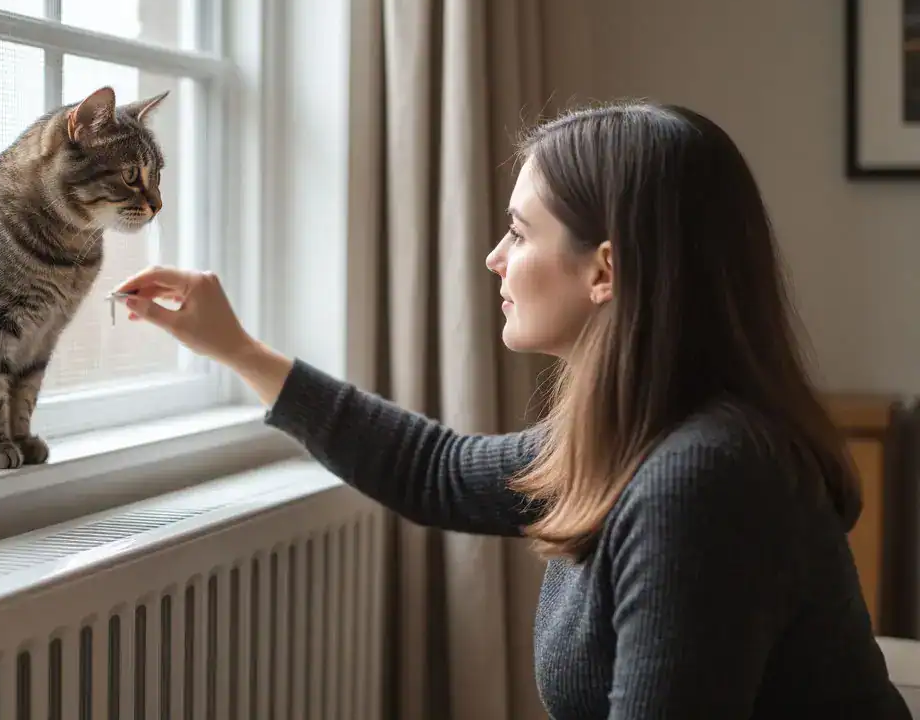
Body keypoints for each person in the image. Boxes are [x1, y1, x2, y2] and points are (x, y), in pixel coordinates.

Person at [114, 102, 912, 719]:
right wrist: (239, 350)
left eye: (520, 233)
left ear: (605, 271)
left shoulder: (702, 477)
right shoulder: (639, 435)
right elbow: (435, 470)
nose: (495, 258)